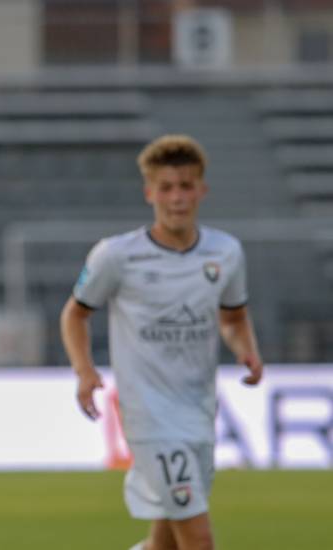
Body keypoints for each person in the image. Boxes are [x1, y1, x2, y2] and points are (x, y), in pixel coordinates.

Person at [60, 135, 263, 550]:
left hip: (199, 411)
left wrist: (246, 349)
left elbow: (234, 317)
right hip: (148, 416)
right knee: (197, 537)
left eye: (186, 186)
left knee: (167, 540)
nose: (177, 198)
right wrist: (84, 371)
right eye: (166, 187)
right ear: (149, 192)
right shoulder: (116, 255)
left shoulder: (225, 253)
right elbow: (75, 314)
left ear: (201, 190)